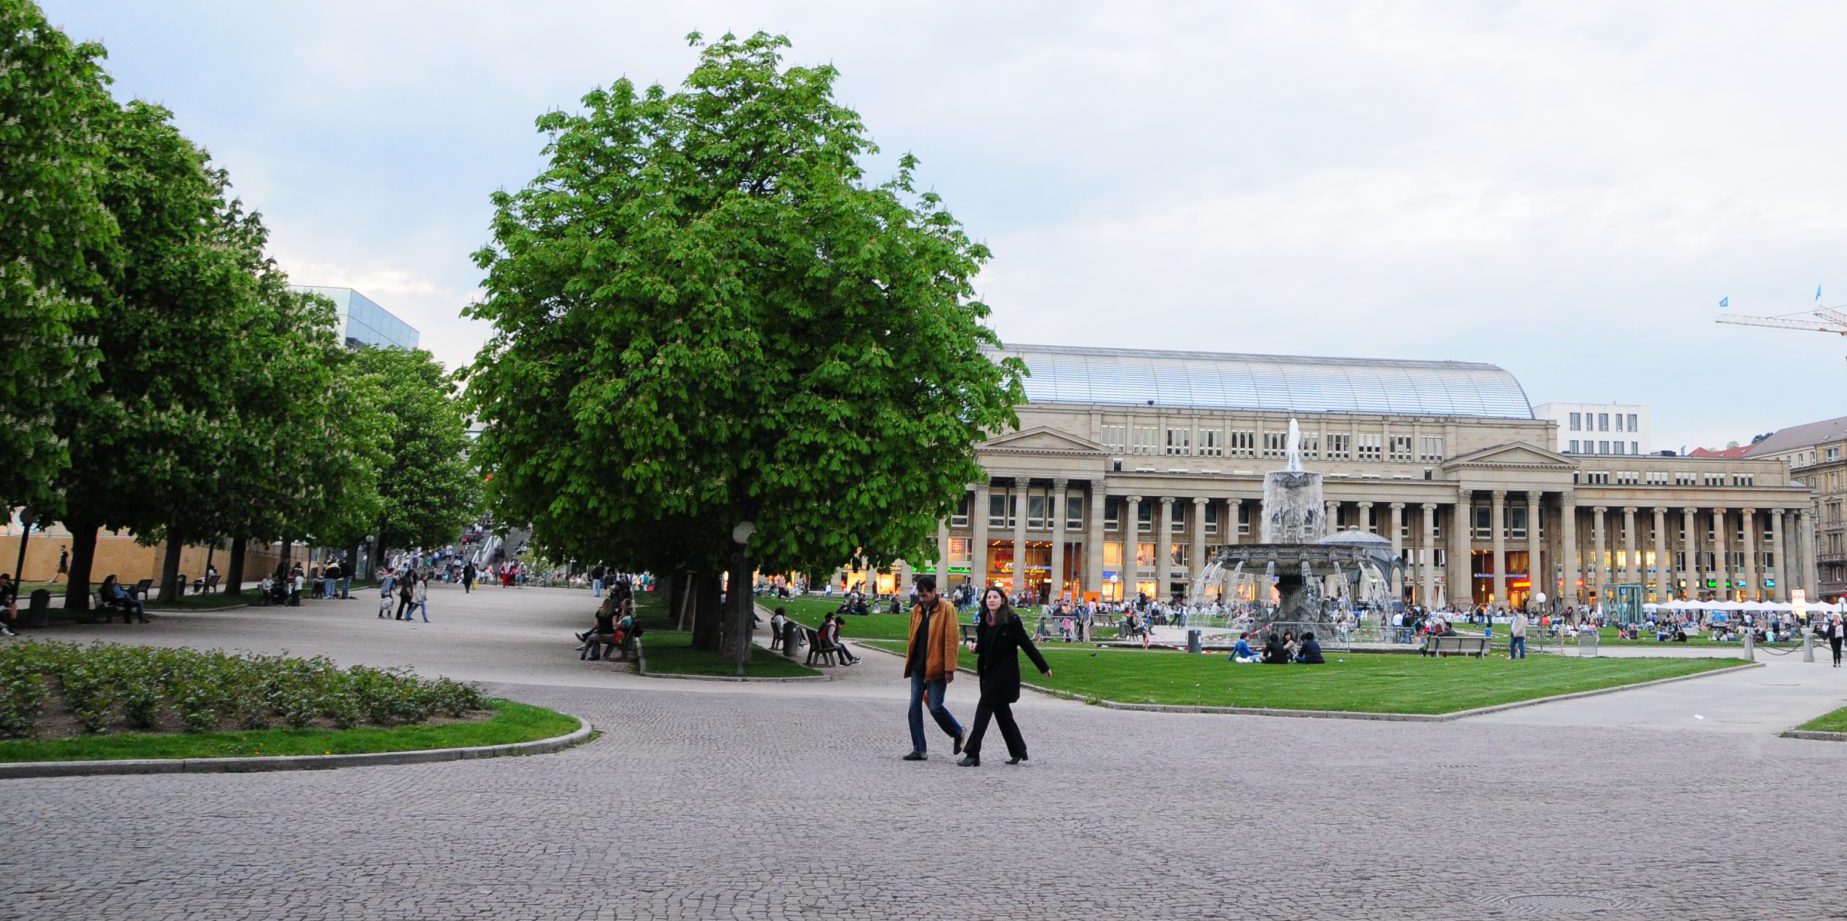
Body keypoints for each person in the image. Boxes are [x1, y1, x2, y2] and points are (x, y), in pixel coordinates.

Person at [960, 586, 1051, 767]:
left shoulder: (1011, 620)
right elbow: (984, 646)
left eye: (995, 597)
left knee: (984, 708)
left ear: (1002, 600)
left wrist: (1043, 667)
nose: (991, 600)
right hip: (988, 672)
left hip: (1004, 675)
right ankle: (1018, 750)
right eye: (989, 597)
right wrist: (975, 648)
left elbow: (1026, 644)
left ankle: (972, 753)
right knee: (1002, 712)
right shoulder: (985, 620)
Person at [901, 575, 963, 762]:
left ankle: (958, 732)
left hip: (937, 665)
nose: (922, 599)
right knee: (913, 707)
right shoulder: (917, 610)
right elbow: (913, 637)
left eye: (925, 595)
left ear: (934, 591)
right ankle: (919, 749)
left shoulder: (947, 609)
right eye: (920, 595)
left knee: (935, 706)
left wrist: (950, 667)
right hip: (918, 666)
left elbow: (951, 639)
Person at [0, 572, 16, 636]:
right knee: (3, 613)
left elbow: (13, 591)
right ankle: (5, 628)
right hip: (1, 605)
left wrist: (9, 584)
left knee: (8, 612)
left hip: (2, 604)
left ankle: (8, 628)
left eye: (6, 580)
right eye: (3, 580)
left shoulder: (5, 587)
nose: (4, 581)